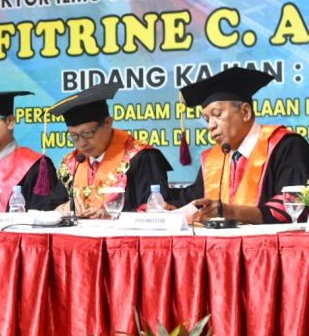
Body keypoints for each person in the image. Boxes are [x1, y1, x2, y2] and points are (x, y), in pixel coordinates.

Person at [173, 67, 309, 224]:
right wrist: (164, 205)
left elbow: (294, 205)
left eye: (217, 114)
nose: (211, 125)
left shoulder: (286, 146)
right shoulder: (214, 159)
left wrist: (230, 212)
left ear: (245, 112)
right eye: (206, 119)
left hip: (270, 247)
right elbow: (192, 198)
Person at [50, 82, 172, 217]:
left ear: (108, 123)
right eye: (74, 136)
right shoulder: (72, 164)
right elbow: (49, 206)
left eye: (87, 134)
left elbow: (157, 211)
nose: (82, 144)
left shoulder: (142, 158)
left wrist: (113, 215)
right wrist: (63, 208)